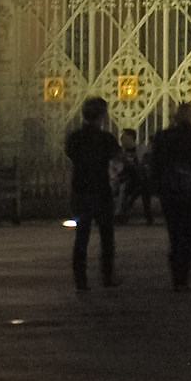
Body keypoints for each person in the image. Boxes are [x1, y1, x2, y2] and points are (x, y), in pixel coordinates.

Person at [148, 101, 191, 289]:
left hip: (171, 190)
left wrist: (158, 187)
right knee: (189, 235)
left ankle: (176, 268)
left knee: (175, 232)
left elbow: (155, 165)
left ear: (175, 118)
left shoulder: (164, 137)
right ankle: (182, 273)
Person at [64, 96, 120, 291]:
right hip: (102, 191)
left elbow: (70, 153)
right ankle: (107, 275)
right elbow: (116, 159)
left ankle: (81, 279)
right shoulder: (106, 139)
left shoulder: (75, 138)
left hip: (81, 190)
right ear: (102, 116)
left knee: (82, 236)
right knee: (106, 236)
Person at [114, 127, 156, 225]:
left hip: (136, 181)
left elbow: (145, 166)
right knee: (139, 185)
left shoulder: (141, 150)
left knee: (138, 184)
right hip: (128, 180)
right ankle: (147, 217)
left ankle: (121, 215)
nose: (121, 140)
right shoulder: (120, 153)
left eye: (123, 137)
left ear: (131, 138)